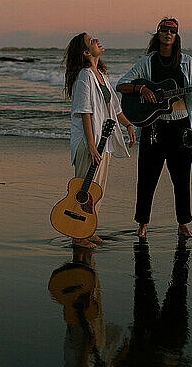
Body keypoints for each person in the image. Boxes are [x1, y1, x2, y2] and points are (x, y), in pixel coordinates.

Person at [116, 17, 192, 240]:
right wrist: (141, 88)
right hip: (154, 125)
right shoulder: (146, 62)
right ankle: (142, 225)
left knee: (182, 178)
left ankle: (183, 224)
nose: (168, 33)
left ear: (177, 34)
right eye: (164, 29)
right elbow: (120, 84)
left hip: (181, 125)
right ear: (158, 33)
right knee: (147, 176)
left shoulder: (187, 62)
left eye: (172, 30)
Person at [64, 33, 136, 249]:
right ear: (86, 52)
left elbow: (115, 108)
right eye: (91, 41)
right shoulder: (85, 75)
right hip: (90, 143)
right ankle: (78, 235)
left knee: (97, 189)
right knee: (84, 189)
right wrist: (91, 146)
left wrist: (128, 125)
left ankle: (88, 229)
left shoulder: (101, 74)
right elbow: (84, 112)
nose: (96, 40)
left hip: (103, 142)